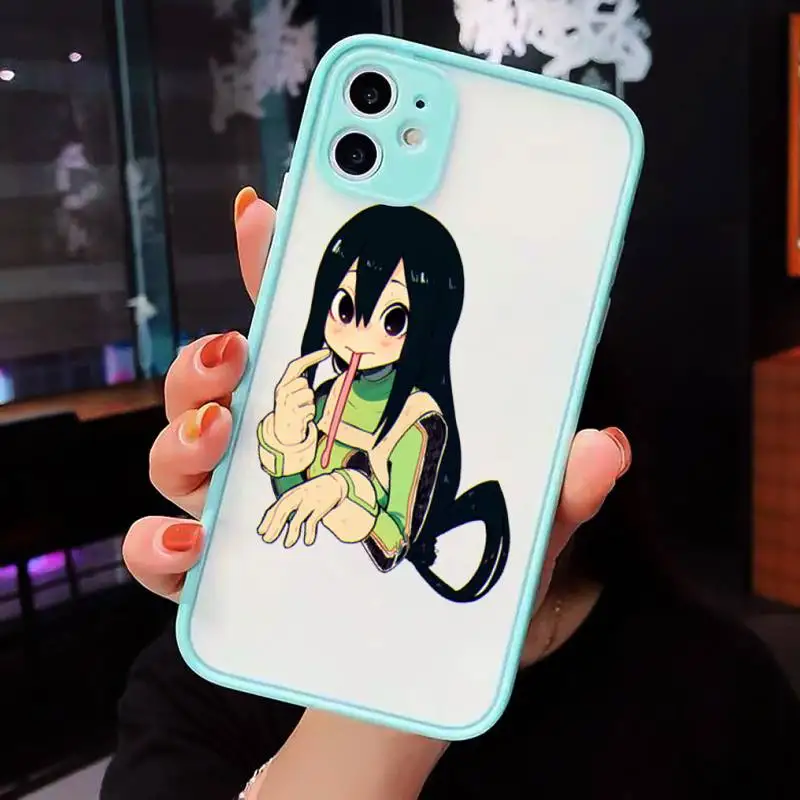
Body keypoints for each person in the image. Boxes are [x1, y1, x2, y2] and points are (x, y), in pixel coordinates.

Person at [101, 188, 800, 800]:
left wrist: (348, 497)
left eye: (394, 319)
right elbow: (293, 498)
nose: (362, 336)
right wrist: (281, 448)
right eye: (346, 306)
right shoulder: (210, 676)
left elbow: (394, 527)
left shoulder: (716, 691)